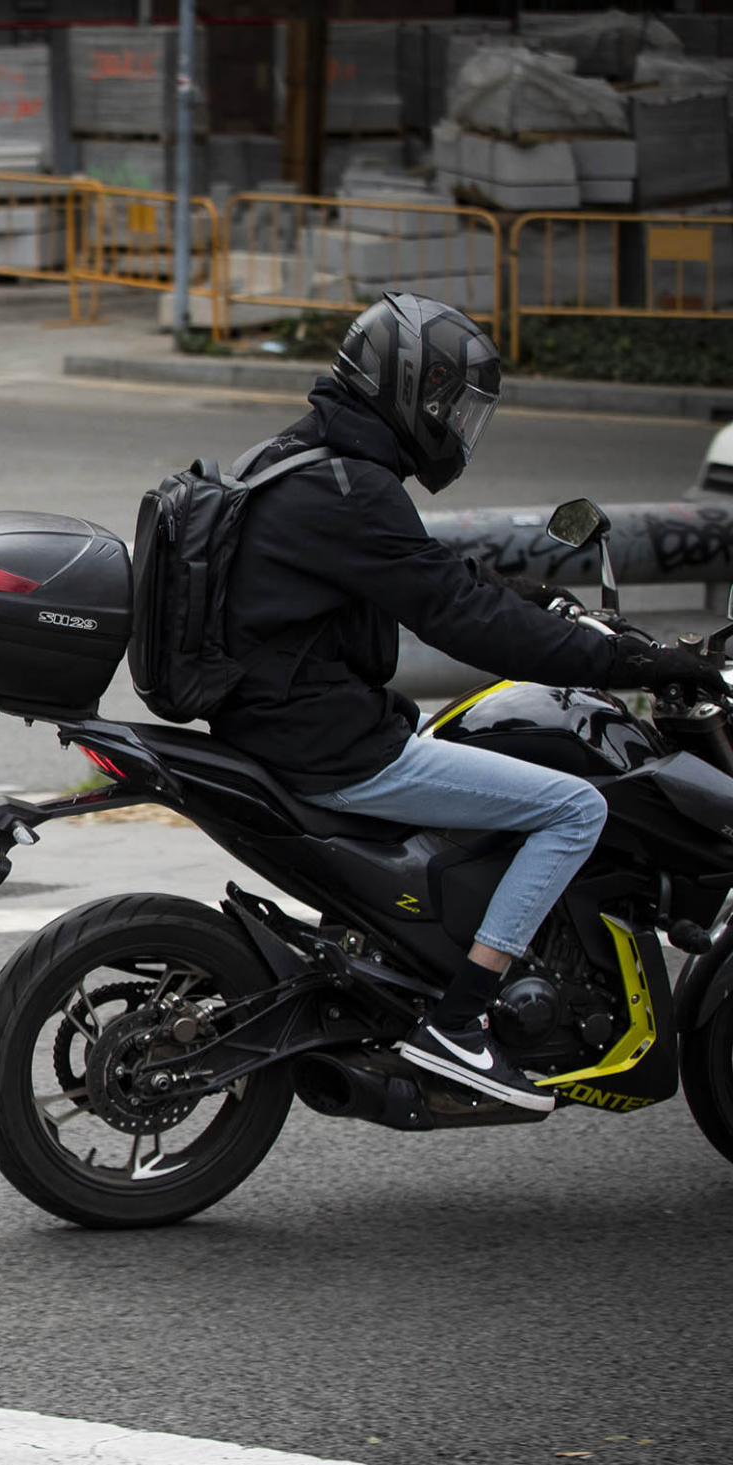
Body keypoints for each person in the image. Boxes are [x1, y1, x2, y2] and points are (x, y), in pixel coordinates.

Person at [212, 292, 717, 1111]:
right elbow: (463, 621)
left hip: (275, 722)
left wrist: (533, 597)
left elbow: (432, 576)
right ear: (407, 386)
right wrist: (630, 656)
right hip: (328, 744)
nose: (453, 422)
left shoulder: (302, 459)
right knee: (574, 808)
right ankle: (460, 1021)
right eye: (448, 402)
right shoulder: (350, 488)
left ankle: (424, 953)